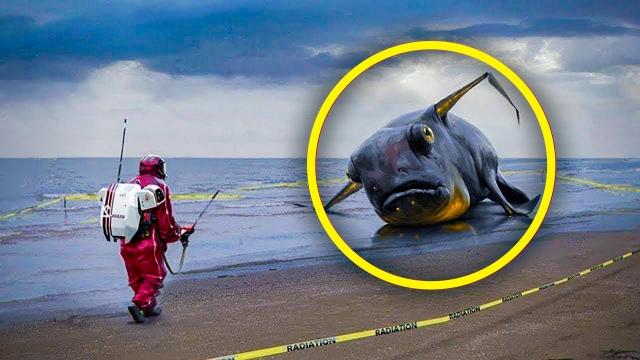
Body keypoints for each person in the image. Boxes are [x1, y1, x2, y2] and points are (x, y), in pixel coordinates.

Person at [120, 154, 194, 323]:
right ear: (159, 168)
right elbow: (165, 221)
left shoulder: (129, 184)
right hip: (148, 241)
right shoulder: (160, 187)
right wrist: (178, 234)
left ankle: (148, 305)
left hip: (126, 239)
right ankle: (139, 304)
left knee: (136, 277)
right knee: (155, 275)